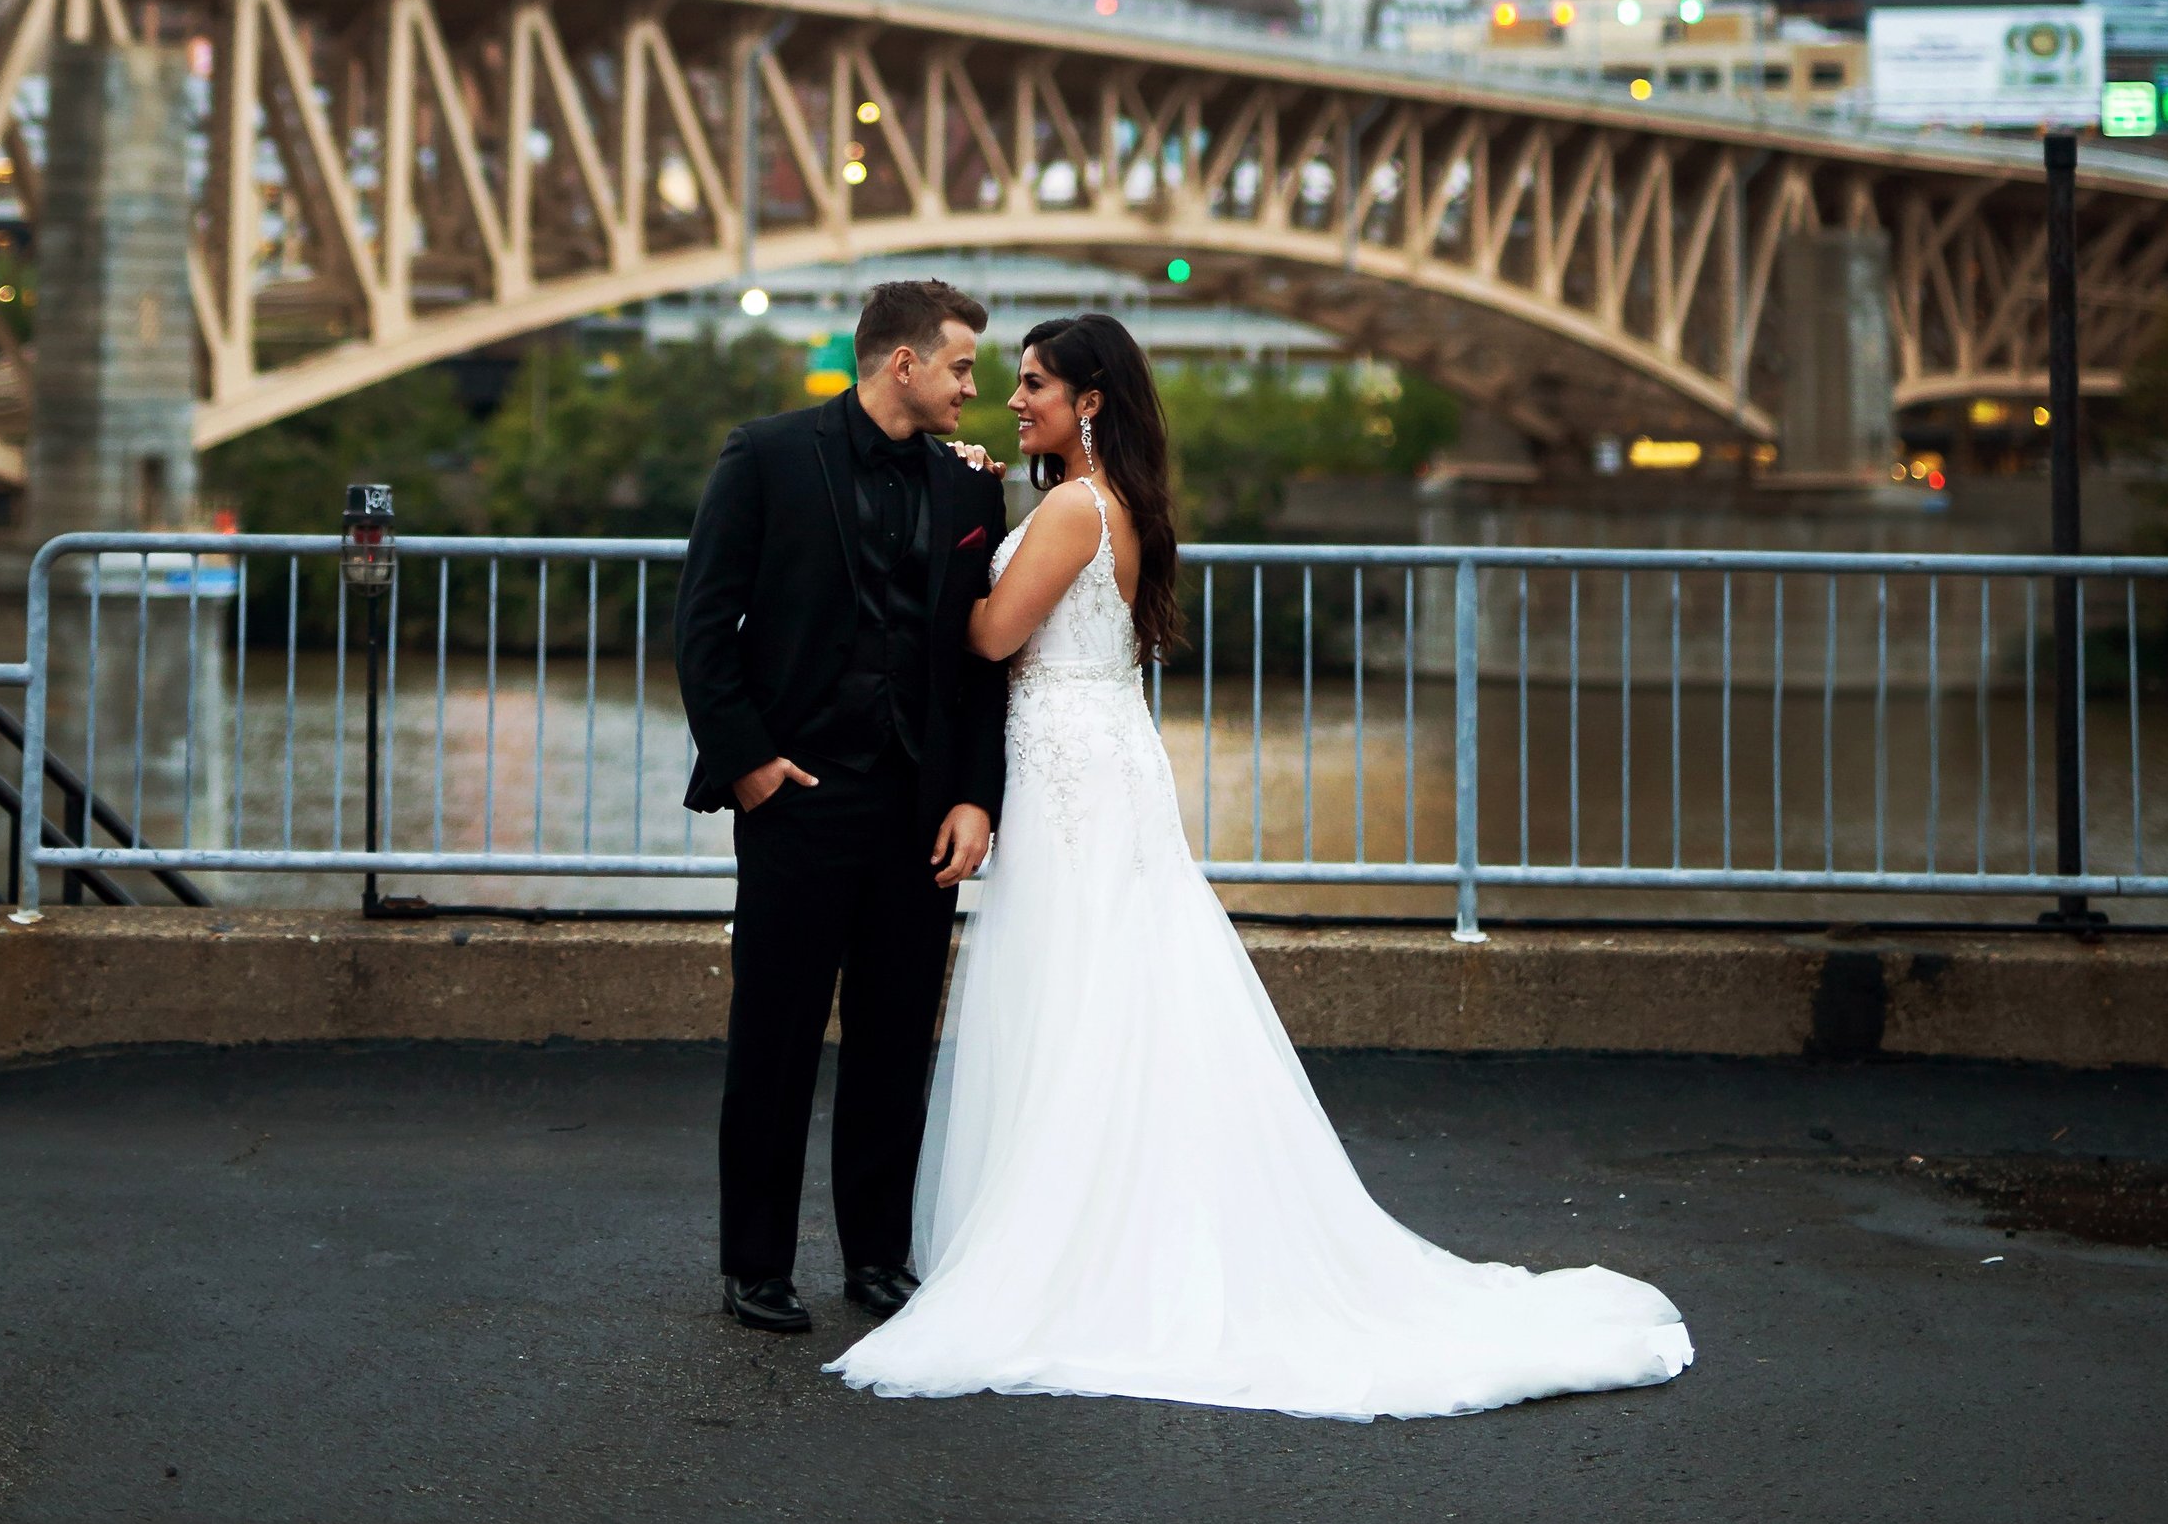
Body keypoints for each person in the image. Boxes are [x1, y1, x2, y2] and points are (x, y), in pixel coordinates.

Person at [835, 312, 1692, 1421]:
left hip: (1072, 769)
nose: (1014, 400)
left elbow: (994, 635)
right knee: (1116, 980)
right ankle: (1120, 1223)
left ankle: (1079, 1243)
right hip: (1100, 756)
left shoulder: (1068, 507)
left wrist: (953, 523)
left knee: (1076, 983)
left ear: (1089, 401)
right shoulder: (1115, 503)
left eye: (1034, 384)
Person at [675, 275, 1008, 1334]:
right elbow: (703, 626)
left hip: (916, 807)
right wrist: (751, 766)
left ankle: (876, 1258)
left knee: (896, 1039)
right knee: (771, 1038)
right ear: (901, 364)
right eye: (959, 365)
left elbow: (975, 670)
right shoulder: (765, 455)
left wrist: (973, 796)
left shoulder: (969, 490)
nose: (972, 386)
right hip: (799, 799)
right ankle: (755, 1268)